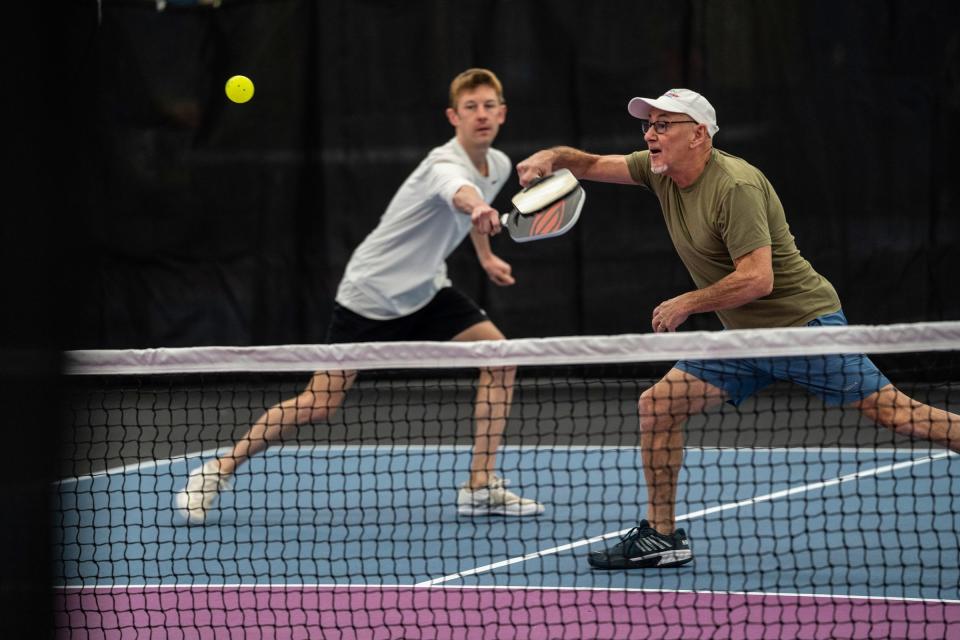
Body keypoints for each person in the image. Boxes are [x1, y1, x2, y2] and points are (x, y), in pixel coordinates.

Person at [483, 87, 960, 569]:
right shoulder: (658, 170)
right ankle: (661, 537)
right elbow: (584, 164)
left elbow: (758, 278)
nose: (651, 133)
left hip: (803, 328)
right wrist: (550, 156)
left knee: (899, 416)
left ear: (699, 135)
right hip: (741, 337)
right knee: (658, 406)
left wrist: (686, 303)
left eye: (663, 124)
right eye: (648, 125)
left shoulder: (736, 186)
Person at [176, 68, 544, 523]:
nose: (481, 114)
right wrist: (480, 208)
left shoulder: (501, 164)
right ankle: (217, 469)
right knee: (319, 403)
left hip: (427, 290)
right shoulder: (442, 165)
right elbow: (464, 196)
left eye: (489, 105)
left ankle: (480, 483)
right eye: (471, 107)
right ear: (454, 116)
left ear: (502, 113)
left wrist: (486, 257)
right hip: (370, 293)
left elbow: (475, 212)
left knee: (501, 359)